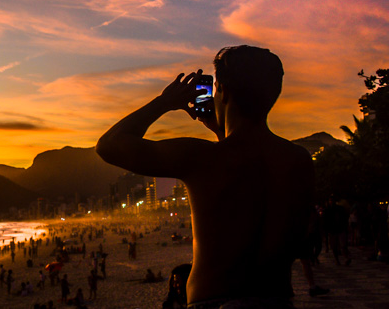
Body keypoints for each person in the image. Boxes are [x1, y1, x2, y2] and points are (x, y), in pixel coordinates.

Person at [97, 46, 314, 308]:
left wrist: (165, 102)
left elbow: (108, 145)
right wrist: (221, 131)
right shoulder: (298, 159)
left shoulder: (203, 158)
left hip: (214, 300)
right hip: (278, 299)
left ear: (223, 91)